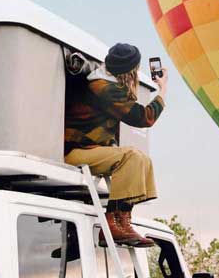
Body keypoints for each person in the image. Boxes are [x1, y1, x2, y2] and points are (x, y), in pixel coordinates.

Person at [64, 43, 167, 248]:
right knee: (132, 156)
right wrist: (163, 90)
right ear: (130, 70)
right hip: (75, 152)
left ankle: (122, 221)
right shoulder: (103, 88)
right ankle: (113, 223)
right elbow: (144, 118)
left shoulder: (104, 81)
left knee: (141, 158)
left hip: (88, 150)